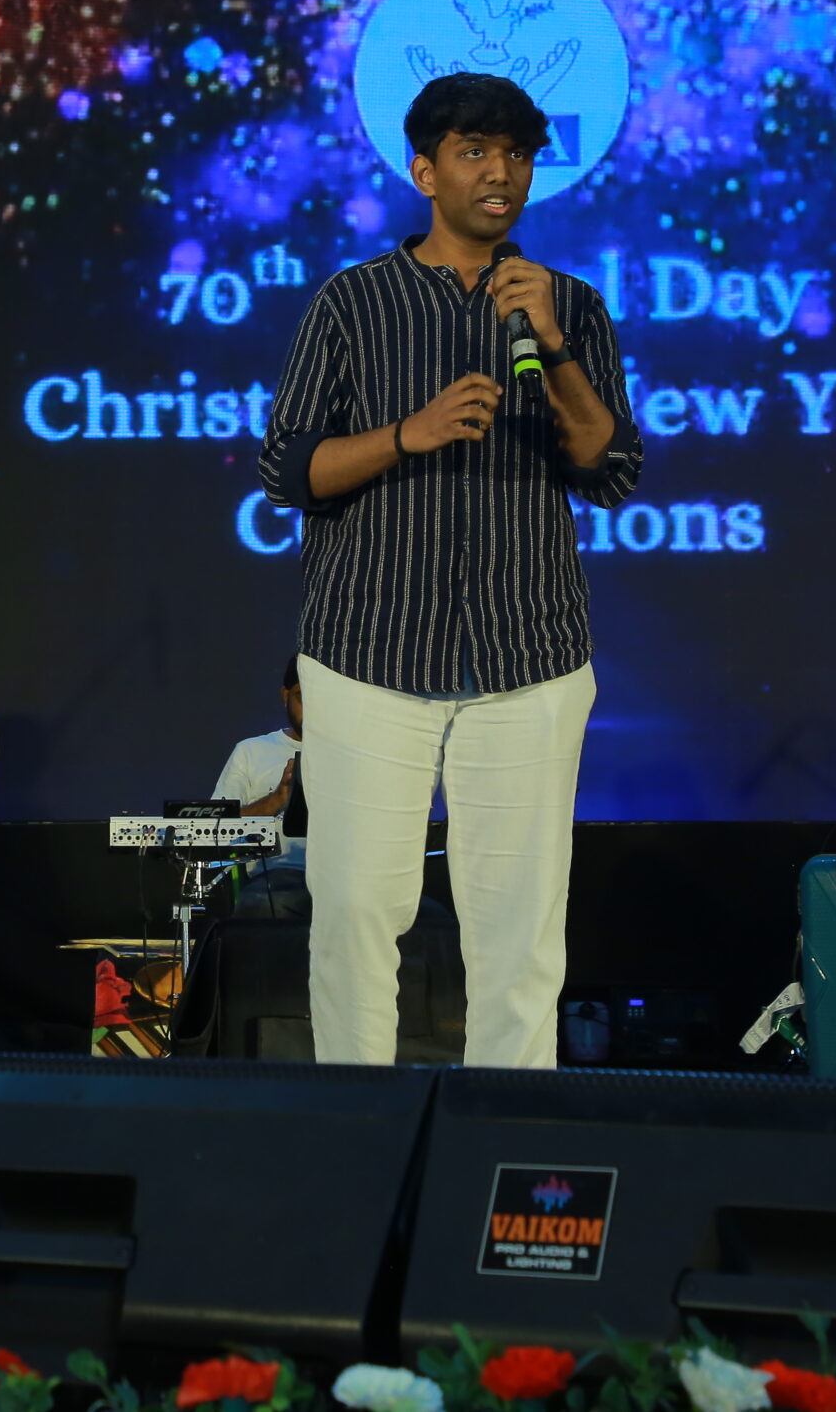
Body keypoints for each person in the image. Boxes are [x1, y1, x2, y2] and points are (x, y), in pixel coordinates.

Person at [257, 71, 643, 1069]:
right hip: (369, 650)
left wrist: (553, 345)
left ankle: (506, 1128)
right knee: (356, 909)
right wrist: (408, 433)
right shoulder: (352, 302)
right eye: (475, 152)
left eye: (517, 154)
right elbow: (288, 469)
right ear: (425, 171)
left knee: (520, 927)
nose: (500, 172)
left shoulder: (570, 305)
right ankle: (358, 1123)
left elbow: (609, 468)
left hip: (529, 654)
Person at [211, 659, 308, 915]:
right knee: (267, 903)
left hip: (348, 876)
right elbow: (215, 827)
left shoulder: (357, 755)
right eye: (303, 697)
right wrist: (276, 800)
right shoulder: (252, 751)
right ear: (285, 696)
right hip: (281, 875)